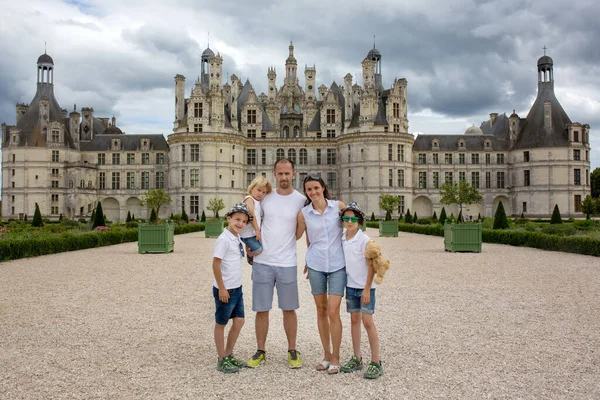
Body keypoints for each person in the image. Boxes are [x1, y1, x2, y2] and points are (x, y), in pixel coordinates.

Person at [246, 158, 307, 369]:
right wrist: (248, 244)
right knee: (261, 310)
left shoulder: (301, 200)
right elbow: (249, 220)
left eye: (286, 173)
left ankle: (292, 349)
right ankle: (261, 350)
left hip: (287, 262)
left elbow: (302, 231)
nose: (283, 177)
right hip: (262, 261)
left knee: (289, 309)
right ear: (275, 175)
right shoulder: (264, 198)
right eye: (279, 174)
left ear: (294, 174)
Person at [295, 174, 346, 374]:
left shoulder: (338, 207)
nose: (313, 192)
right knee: (320, 310)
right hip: (316, 264)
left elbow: (352, 229)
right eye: (309, 189)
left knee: (333, 311)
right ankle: (326, 355)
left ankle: (336, 356)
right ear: (306, 192)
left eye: (316, 187)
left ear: (323, 187)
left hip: (337, 265)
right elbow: (298, 235)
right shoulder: (304, 214)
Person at [338, 202, 383, 379]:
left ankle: (376, 362)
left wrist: (366, 289)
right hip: (350, 287)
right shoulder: (342, 238)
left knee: (368, 322)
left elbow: (371, 265)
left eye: (353, 218)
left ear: (360, 221)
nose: (350, 221)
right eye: (346, 218)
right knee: (354, 320)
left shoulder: (364, 240)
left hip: (365, 288)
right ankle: (357, 358)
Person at [212, 202, 253, 373]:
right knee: (221, 323)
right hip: (226, 289)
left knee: (239, 321)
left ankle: (228, 354)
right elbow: (215, 264)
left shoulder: (236, 237)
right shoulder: (223, 239)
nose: (240, 224)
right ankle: (221, 359)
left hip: (237, 287)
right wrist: (221, 288)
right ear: (228, 219)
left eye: (244, 221)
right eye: (237, 219)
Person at [239, 176, 273, 265]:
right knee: (259, 250)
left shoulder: (257, 201)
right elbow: (251, 215)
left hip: (251, 233)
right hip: (247, 234)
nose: (261, 193)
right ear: (252, 188)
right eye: (259, 190)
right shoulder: (249, 199)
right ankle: (249, 255)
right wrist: (257, 230)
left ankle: (249, 249)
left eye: (264, 192)